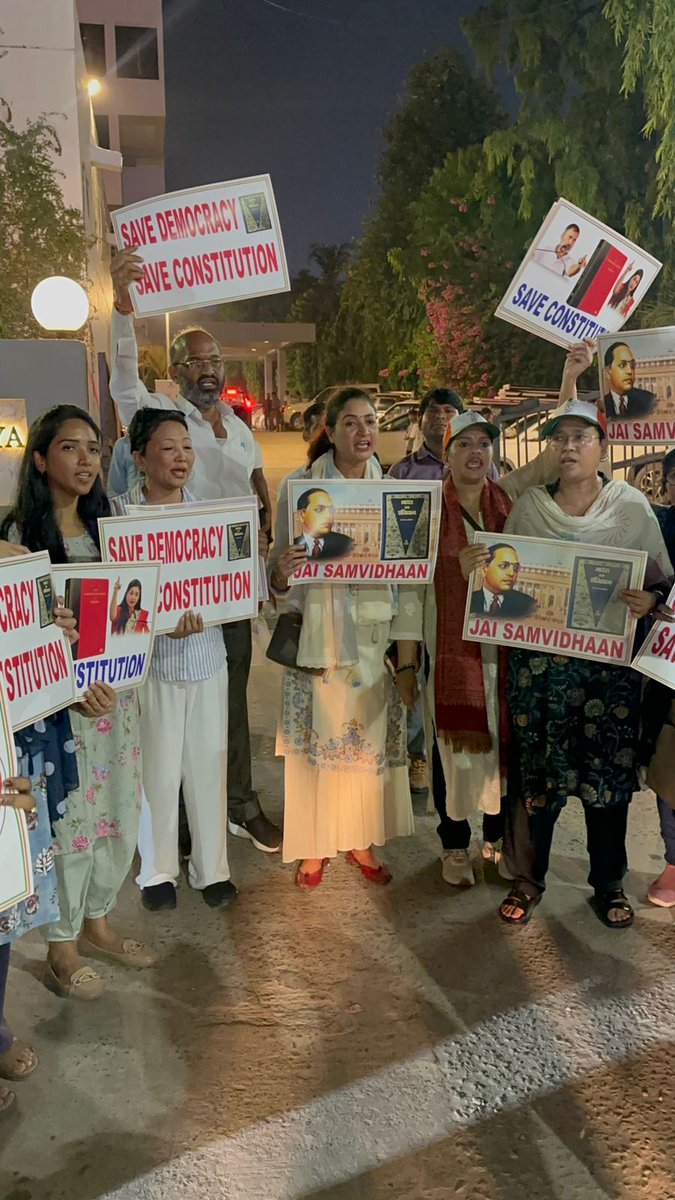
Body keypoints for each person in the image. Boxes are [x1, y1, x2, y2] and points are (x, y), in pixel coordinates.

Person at [109, 247, 281, 855]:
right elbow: (122, 383)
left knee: (230, 700)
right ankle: (175, 824)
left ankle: (237, 805)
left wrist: (265, 536)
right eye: (196, 360)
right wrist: (123, 313)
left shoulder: (236, 425)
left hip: (228, 591)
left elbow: (257, 487)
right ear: (177, 369)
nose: (208, 369)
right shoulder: (160, 415)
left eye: (215, 359)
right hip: (170, 591)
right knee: (167, 712)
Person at [498, 398, 671, 928]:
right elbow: (505, 583)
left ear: (602, 446)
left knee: (606, 782)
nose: (569, 447)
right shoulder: (529, 506)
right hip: (542, 670)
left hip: (606, 672)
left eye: (581, 437)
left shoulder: (630, 507)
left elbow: (661, 580)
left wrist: (647, 601)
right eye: (561, 439)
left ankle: (609, 884)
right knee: (538, 779)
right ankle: (529, 879)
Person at [0, 405, 154, 997]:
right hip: (53, 718)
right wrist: (66, 686)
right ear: (40, 460)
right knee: (67, 824)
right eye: (71, 447)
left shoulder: (113, 525)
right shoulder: (17, 538)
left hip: (114, 705)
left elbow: (137, 616)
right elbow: (17, 636)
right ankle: (60, 944)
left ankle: (98, 921)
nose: (87, 459)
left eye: (94, 448)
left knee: (117, 812)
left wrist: (176, 621)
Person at [270, 386, 414, 889]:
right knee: (317, 745)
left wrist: (408, 651)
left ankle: (359, 837)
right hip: (318, 636)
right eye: (350, 422)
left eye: (371, 421)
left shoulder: (393, 491)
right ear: (329, 430)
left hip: (375, 638)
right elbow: (278, 573)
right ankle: (312, 845)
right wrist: (282, 573)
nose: (363, 432)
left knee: (366, 744)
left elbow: (408, 575)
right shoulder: (300, 488)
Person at [111, 409, 235, 912]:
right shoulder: (119, 518)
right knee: (157, 771)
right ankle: (158, 869)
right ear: (139, 457)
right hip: (151, 665)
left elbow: (230, 585)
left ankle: (213, 870)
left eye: (186, 446)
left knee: (208, 764)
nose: (181, 456)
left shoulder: (211, 515)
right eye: (168, 447)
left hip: (206, 656)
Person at [645, 447, 675, 907]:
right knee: (670, 765)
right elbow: (645, 580)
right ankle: (674, 864)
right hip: (668, 669)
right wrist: (655, 600)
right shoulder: (657, 526)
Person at [468, 543, 537, 618]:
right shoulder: (468, 600)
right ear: (484, 570)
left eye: (516, 568)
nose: (511, 573)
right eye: (504, 566)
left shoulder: (528, 604)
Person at [293, 487, 354, 559]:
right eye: (319, 509)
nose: (329, 516)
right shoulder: (290, 545)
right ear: (301, 515)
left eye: (331, 510)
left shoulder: (346, 544)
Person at [602, 341, 656, 418]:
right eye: (622, 365)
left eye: (632, 365)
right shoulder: (601, 404)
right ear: (607, 371)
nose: (630, 371)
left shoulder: (649, 400)